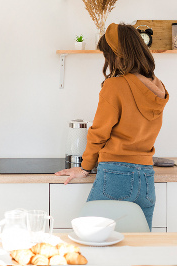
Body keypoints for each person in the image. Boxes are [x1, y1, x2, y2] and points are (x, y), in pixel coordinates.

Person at [55, 23, 169, 230]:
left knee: (91, 237)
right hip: (146, 176)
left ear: (117, 54)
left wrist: (85, 167)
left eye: (107, 54)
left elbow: (99, 133)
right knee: (138, 246)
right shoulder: (157, 86)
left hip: (116, 174)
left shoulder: (115, 86)